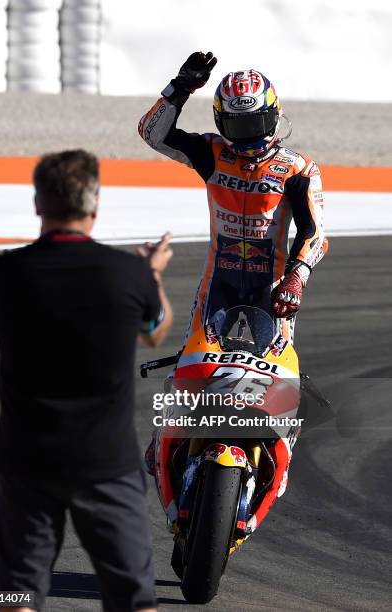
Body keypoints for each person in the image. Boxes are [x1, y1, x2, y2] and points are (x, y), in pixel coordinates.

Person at [139, 53, 328, 532]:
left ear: (275, 114)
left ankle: (280, 449)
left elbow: (315, 231)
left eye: (257, 122)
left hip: (274, 291)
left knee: (281, 378)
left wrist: (297, 277)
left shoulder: (297, 168)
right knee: (189, 365)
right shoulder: (211, 153)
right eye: (237, 125)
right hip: (218, 286)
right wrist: (179, 89)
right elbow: (152, 134)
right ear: (223, 122)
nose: (247, 136)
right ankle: (164, 436)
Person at [0, 149, 173, 612]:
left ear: (37, 205)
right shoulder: (129, 274)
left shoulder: (4, 272)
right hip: (107, 462)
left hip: (25, 459)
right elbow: (156, 331)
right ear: (95, 206)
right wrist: (153, 275)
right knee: (134, 598)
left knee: (10, 596)